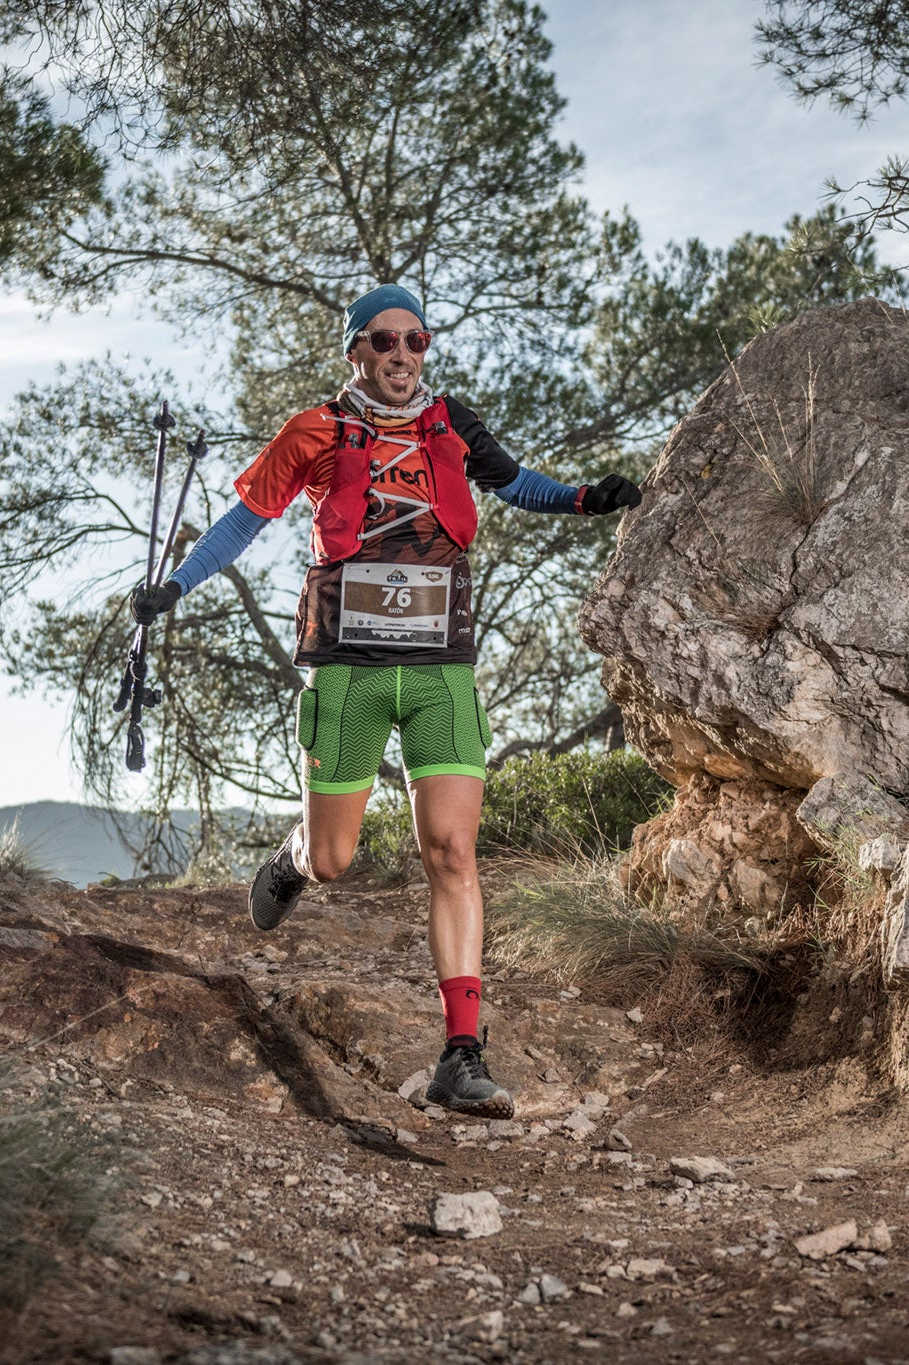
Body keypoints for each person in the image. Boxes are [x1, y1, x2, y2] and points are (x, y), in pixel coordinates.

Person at [131, 284, 641, 1117]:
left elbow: (519, 486)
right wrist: (174, 586)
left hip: (442, 665)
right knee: (336, 858)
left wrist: (587, 497)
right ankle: (292, 857)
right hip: (348, 666)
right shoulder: (313, 432)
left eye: (415, 341)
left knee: (451, 850)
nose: (402, 355)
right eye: (383, 341)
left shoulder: (454, 423)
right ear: (355, 352)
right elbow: (242, 522)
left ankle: (462, 1054)